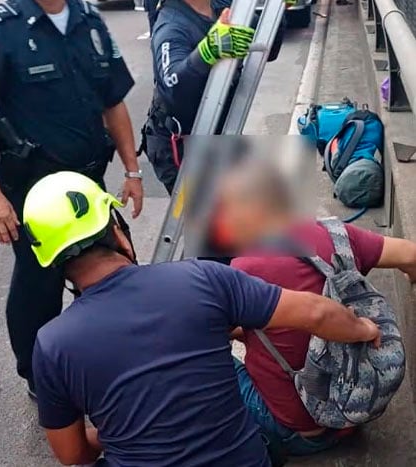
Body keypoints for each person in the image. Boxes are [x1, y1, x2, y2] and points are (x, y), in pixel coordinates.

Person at [23, 171, 381, 466]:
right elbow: (316, 311)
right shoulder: (201, 277)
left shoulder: (52, 345)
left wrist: (115, 432)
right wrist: (363, 328)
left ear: (54, 264)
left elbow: (72, 454)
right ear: (118, 229)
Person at [0, 0, 142, 398]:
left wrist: (132, 172)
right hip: (34, 187)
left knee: (112, 265)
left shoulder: (90, 21)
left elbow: (113, 102)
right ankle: (41, 377)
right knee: (40, 278)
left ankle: (112, 358)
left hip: (88, 179)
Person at [209, 160, 416, 456]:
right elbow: (411, 254)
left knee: (200, 353)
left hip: (300, 431)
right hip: (357, 405)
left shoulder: (243, 270)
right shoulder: (337, 235)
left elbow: (216, 330)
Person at [142, 0, 284, 193]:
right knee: (205, 218)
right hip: (184, 143)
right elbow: (172, 85)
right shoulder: (171, 26)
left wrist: (279, 10)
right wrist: (206, 52)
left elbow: (269, 49)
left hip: (221, 131)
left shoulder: (224, 9)